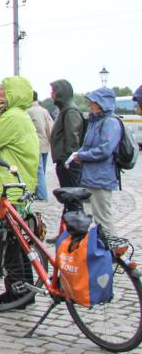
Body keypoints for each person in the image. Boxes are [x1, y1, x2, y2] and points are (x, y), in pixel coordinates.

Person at [0, 76, 39, 308]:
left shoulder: (12, 117)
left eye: (4, 90)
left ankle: (15, 295)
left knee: (12, 246)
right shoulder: (18, 116)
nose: (0, 94)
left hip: (10, 188)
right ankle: (24, 292)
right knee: (19, 245)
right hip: (13, 185)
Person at [72, 87, 122, 236]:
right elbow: (89, 145)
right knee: (98, 217)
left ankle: (115, 252)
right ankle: (104, 250)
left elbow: (105, 149)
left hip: (102, 177)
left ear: (101, 104)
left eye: (92, 102)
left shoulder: (110, 122)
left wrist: (83, 156)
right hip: (93, 176)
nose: (89, 105)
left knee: (103, 218)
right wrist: (80, 154)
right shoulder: (97, 122)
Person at [49, 79, 85, 187]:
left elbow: (73, 137)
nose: (51, 95)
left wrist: (68, 160)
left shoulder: (70, 111)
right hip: (64, 160)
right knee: (68, 195)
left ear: (60, 92)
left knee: (71, 195)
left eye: (53, 91)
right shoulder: (65, 110)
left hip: (67, 162)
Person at [27, 91, 54, 200]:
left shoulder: (29, 111)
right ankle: (40, 193)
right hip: (45, 143)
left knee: (38, 171)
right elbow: (50, 127)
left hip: (35, 144)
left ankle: (42, 195)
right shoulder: (44, 111)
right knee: (41, 170)